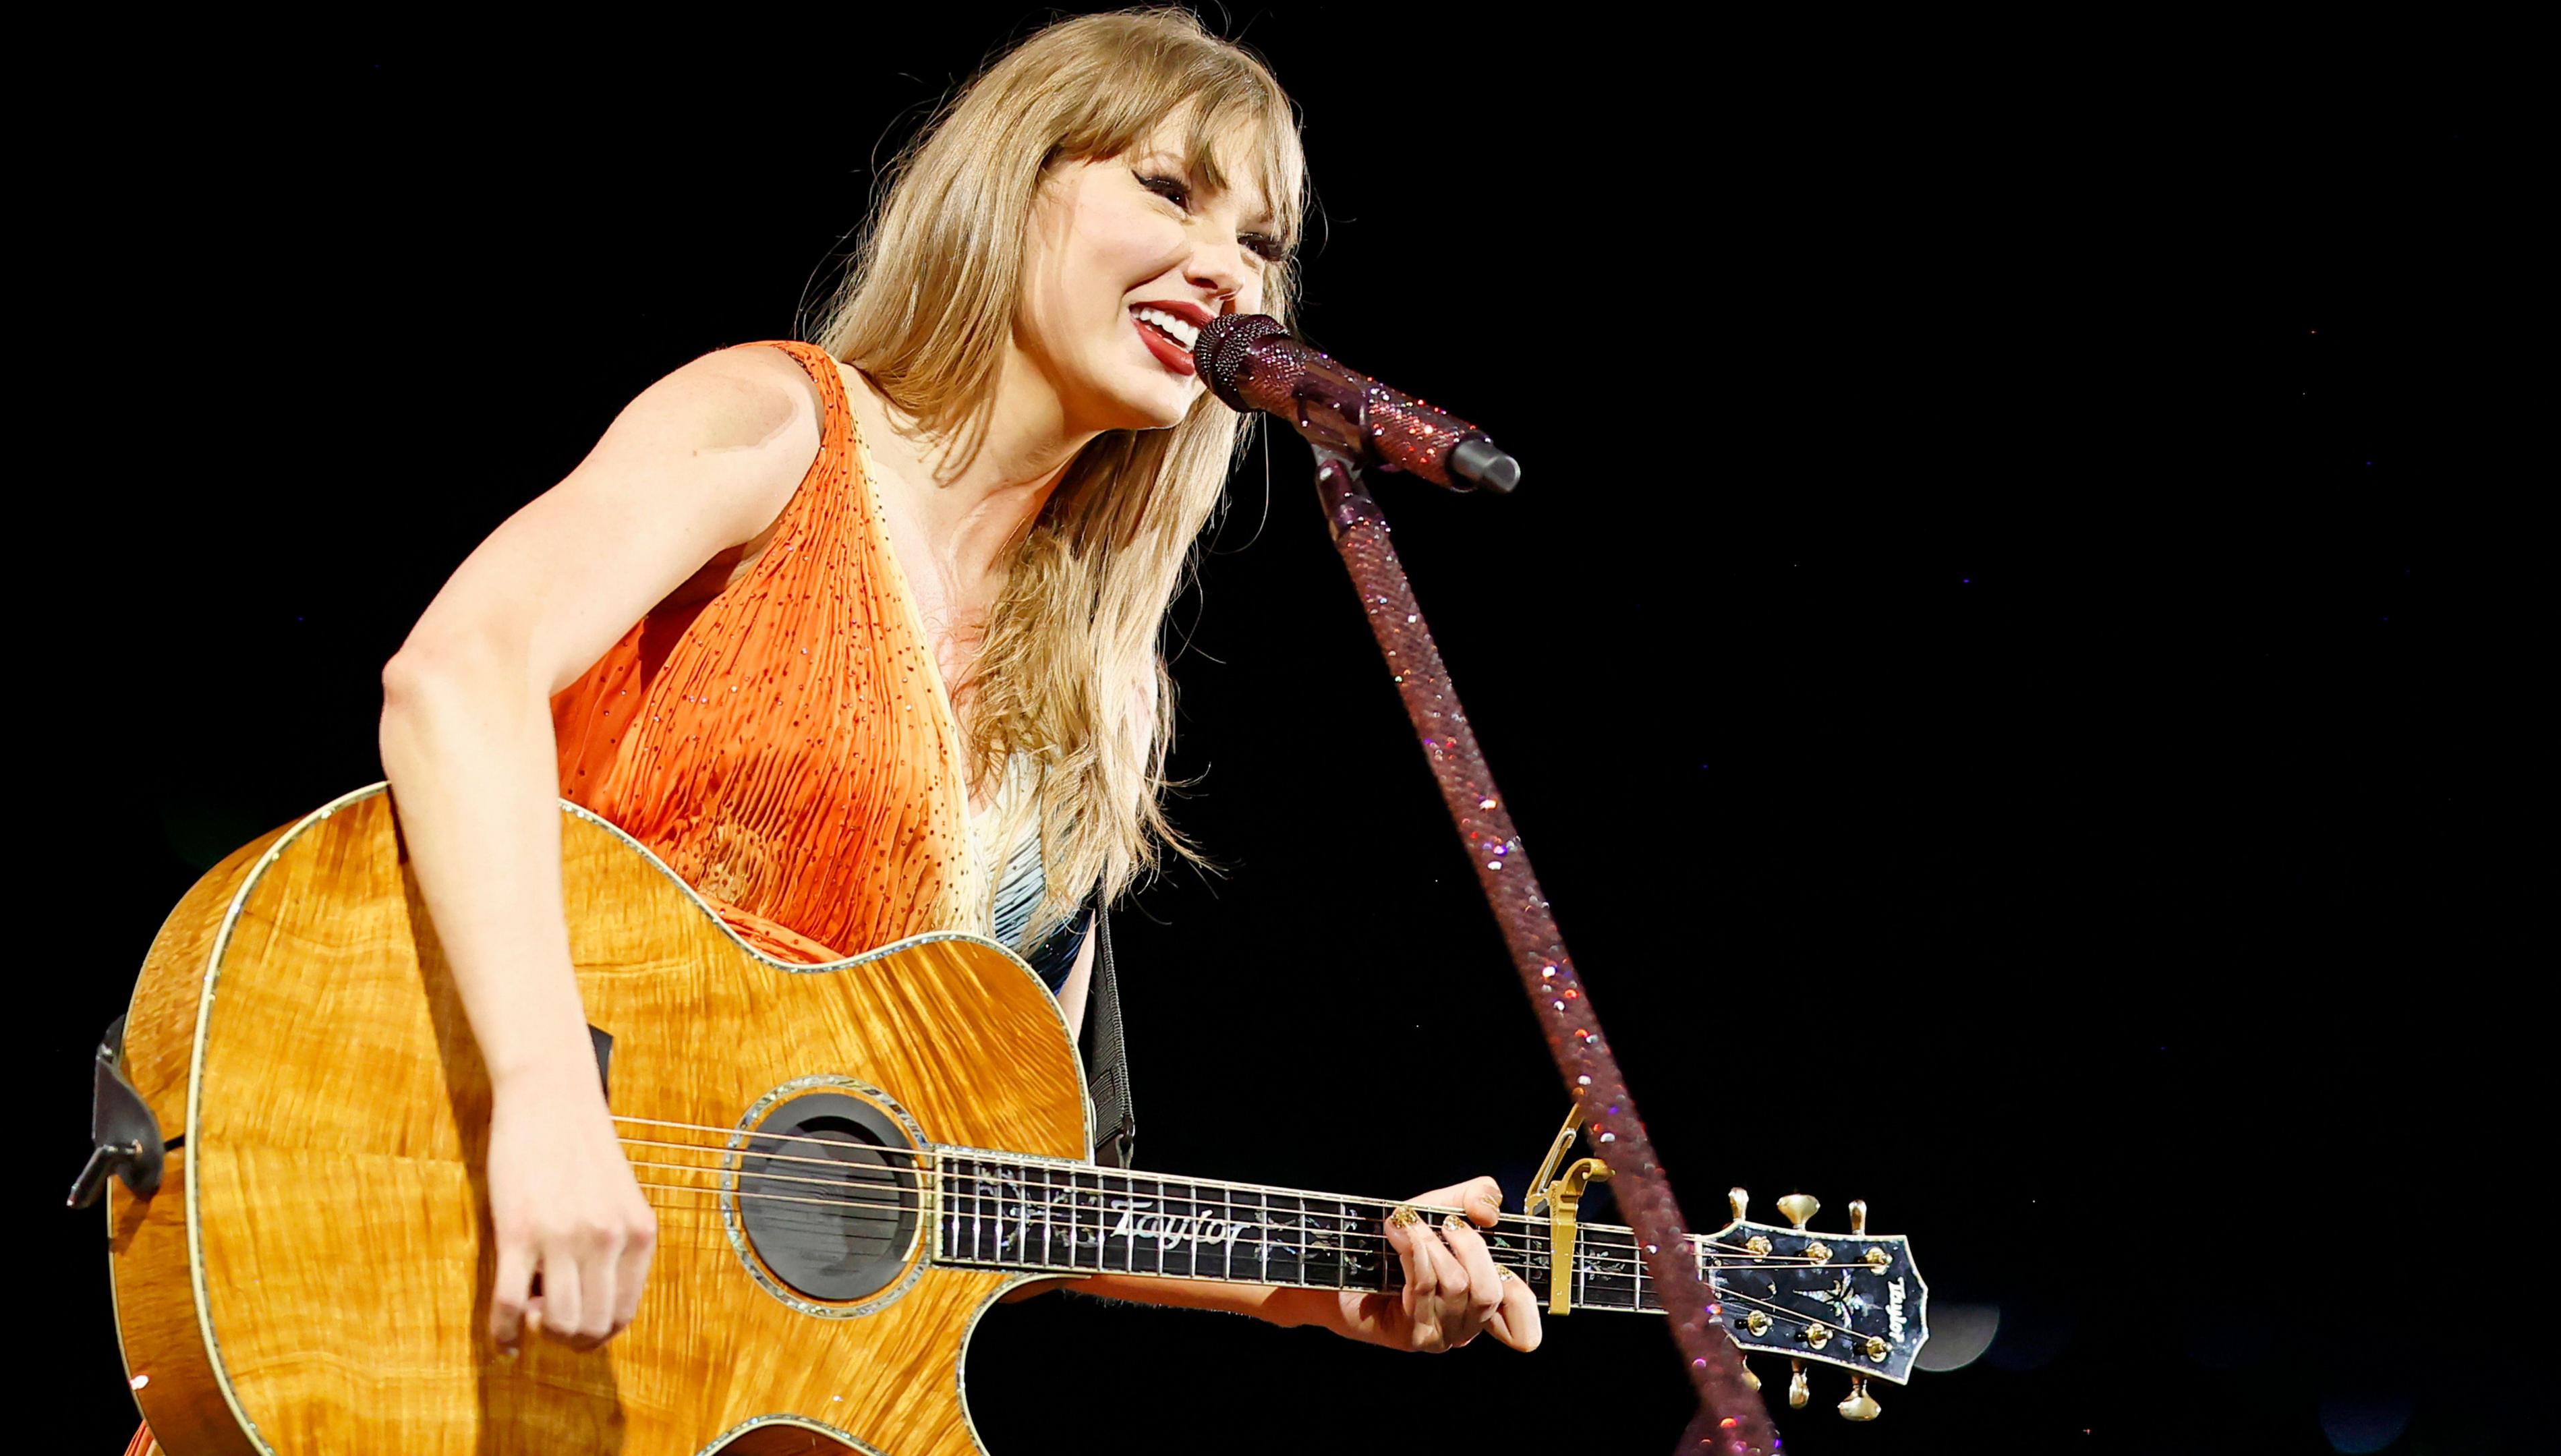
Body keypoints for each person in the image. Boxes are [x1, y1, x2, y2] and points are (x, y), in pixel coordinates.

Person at [121, 9, 1536, 1453]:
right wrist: (549, 1105)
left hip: (706, 1389)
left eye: (1264, 244)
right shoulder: (780, 428)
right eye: (1168, 190)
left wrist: (1315, 1293)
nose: (1229, 268)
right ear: (1012, 184)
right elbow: (456, 675)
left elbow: (983, 1182)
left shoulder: (1098, 698)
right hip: (440, 1269)